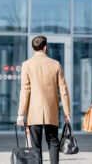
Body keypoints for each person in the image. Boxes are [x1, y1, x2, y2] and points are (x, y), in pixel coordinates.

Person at [16, 35, 71, 164]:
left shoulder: (26, 64)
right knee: (53, 142)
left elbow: (25, 90)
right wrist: (67, 112)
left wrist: (21, 114)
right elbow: (64, 90)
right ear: (45, 47)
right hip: (51, 110)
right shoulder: (55, 64)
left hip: (33, 111)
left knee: (35, 146)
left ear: (33, 48)